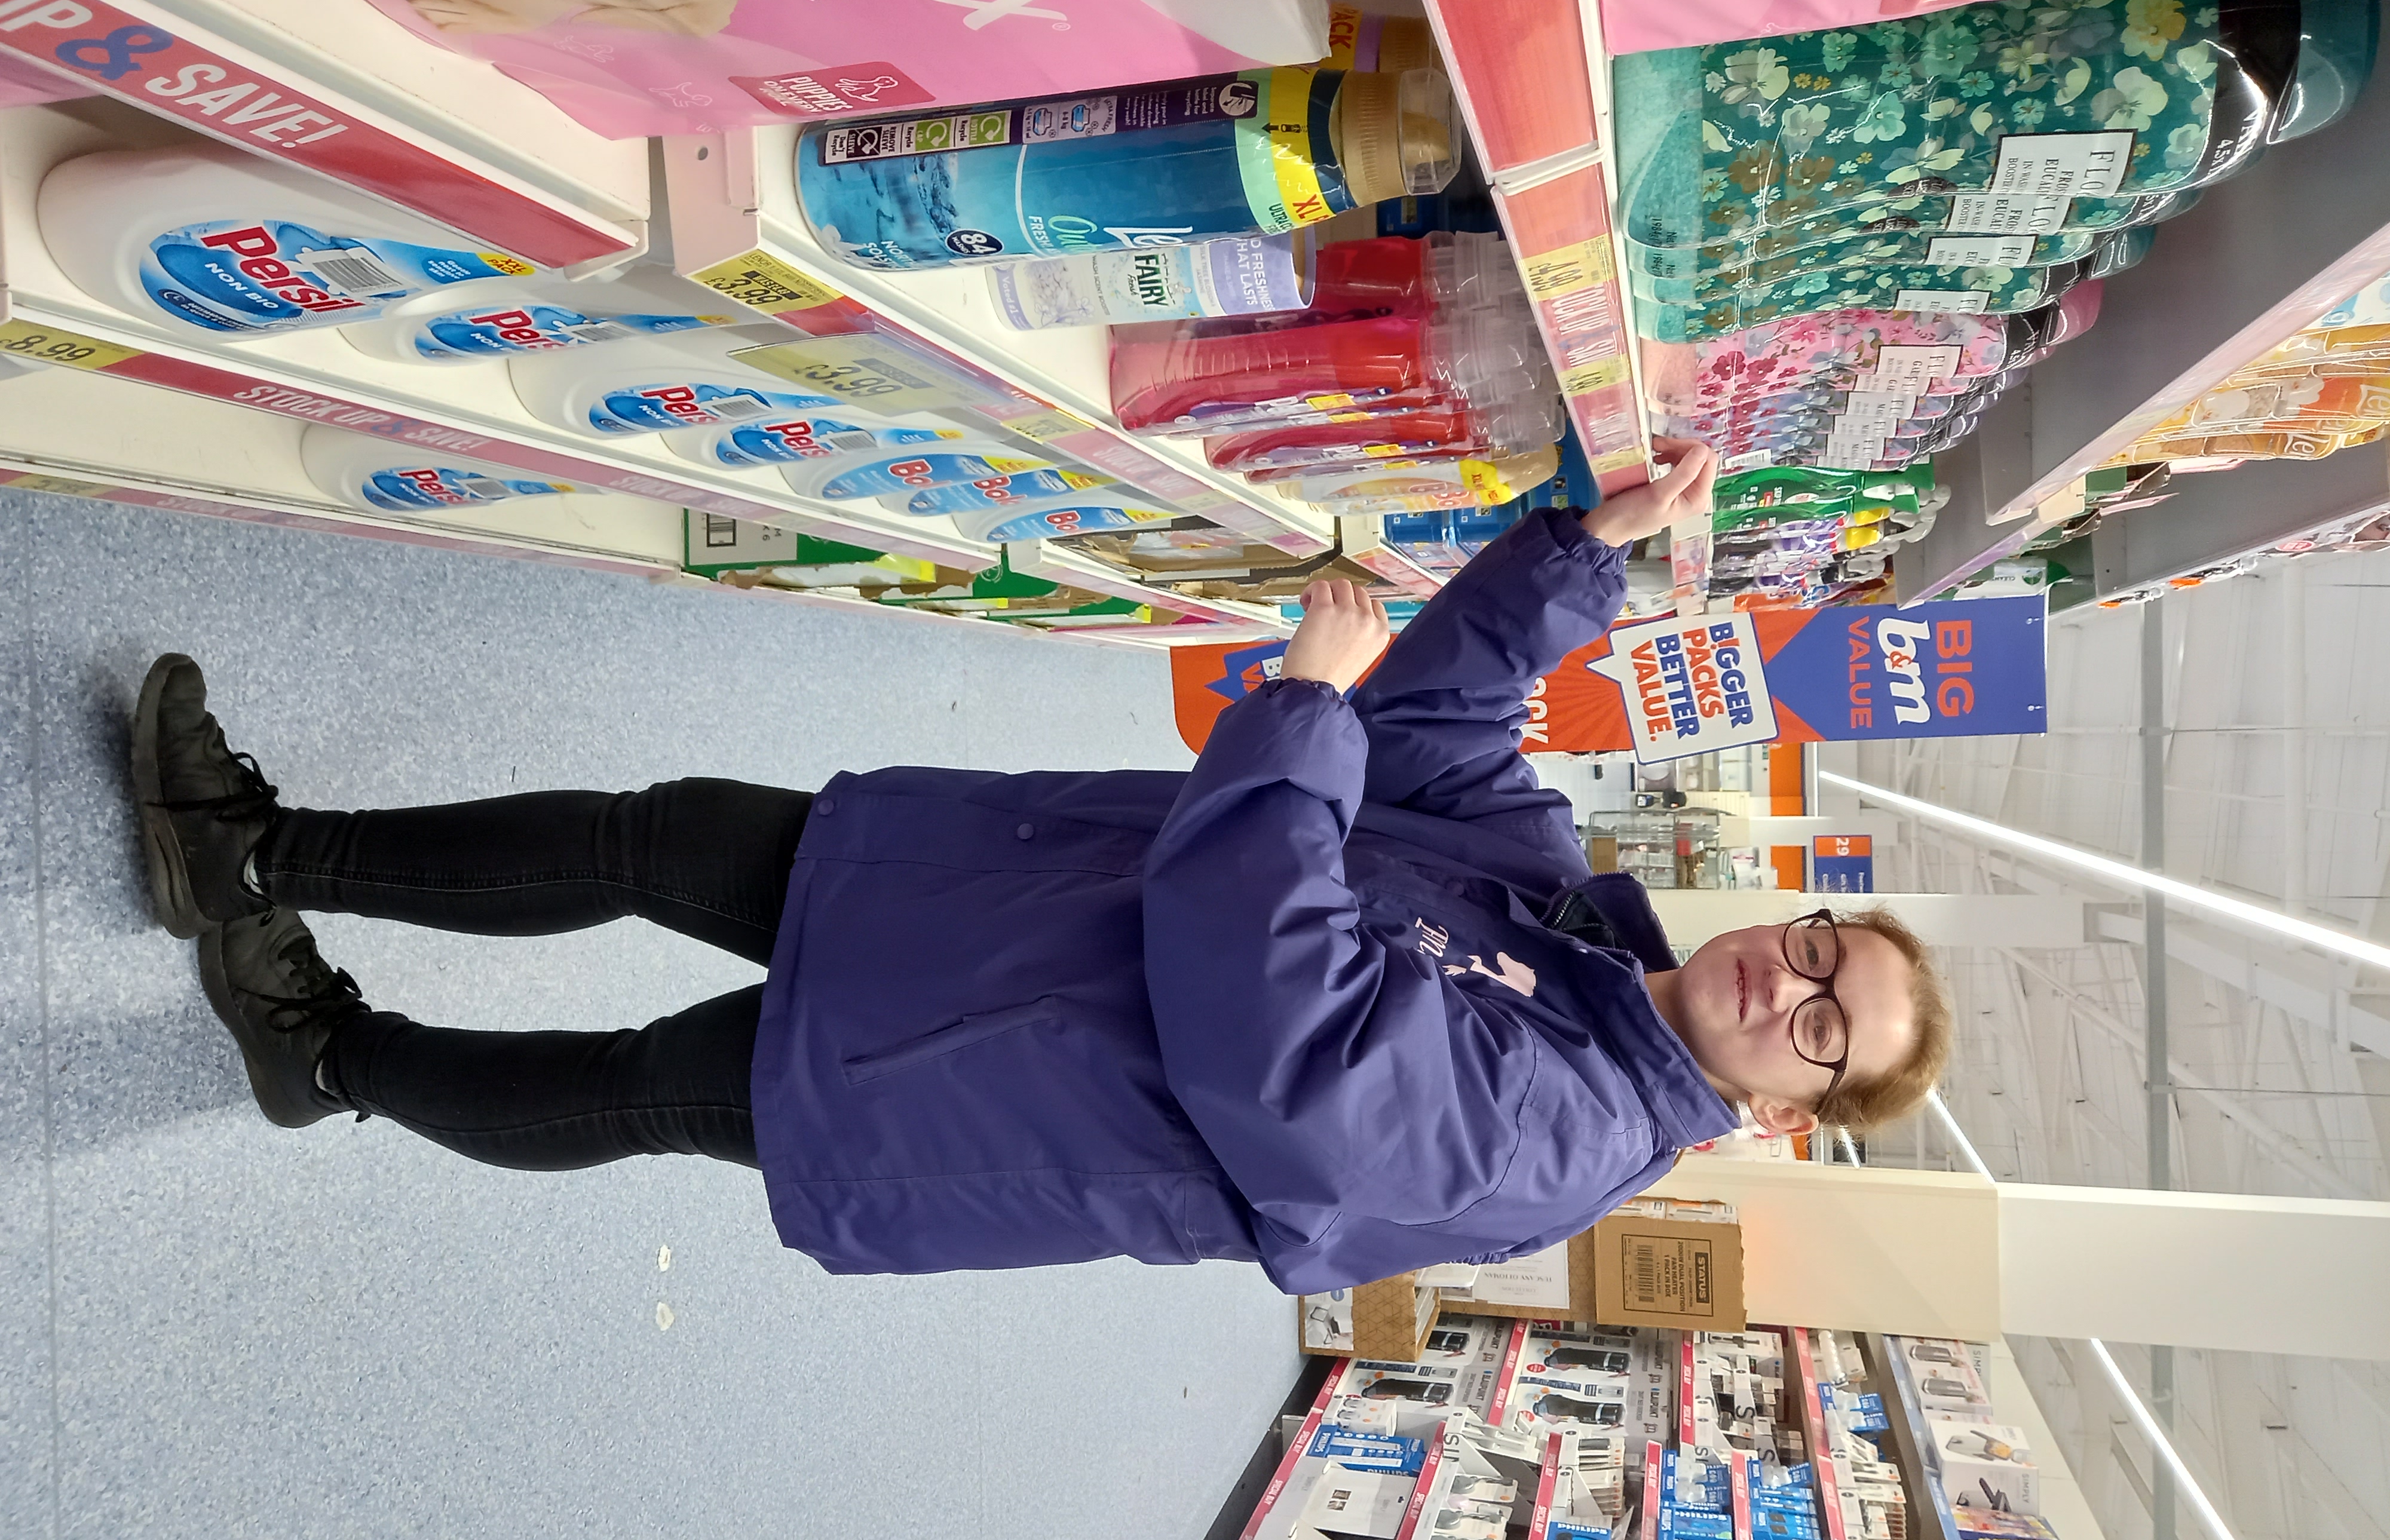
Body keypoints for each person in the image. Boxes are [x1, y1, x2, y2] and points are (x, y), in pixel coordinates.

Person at [133, 437, 1950, 1295]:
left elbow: (1295, 1053)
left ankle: (327, 1060)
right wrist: (1584, 557)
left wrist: (1302, 716)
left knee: (640, 1087)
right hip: (990, 901)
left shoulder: (1570, 1138)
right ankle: (253, 850)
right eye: (1817, 949)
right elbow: (1454, 741)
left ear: (1789, 1115)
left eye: (1820, 1029)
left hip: (996, 1086)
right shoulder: (1569, 918)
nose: (1787, 985)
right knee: (653, 833)